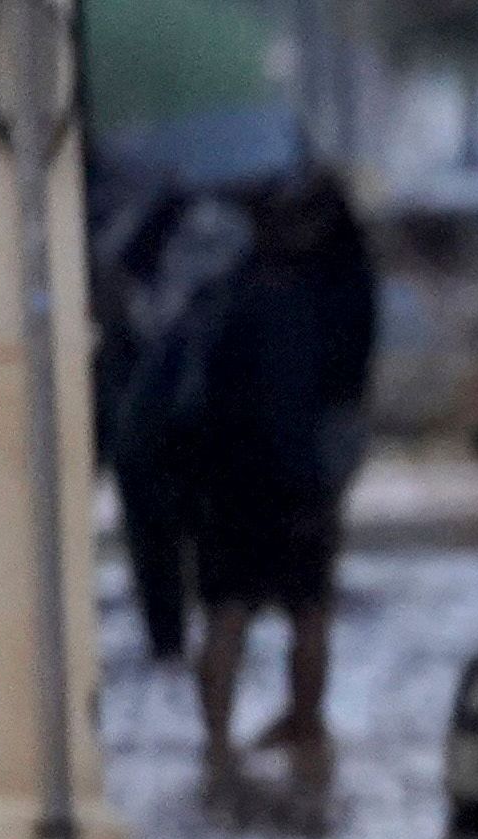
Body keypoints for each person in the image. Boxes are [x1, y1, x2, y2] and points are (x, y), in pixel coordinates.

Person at [183, 168, 377, 796]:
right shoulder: (336, 296)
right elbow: (346, 394)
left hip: (233, 480)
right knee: (307, 611)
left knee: (230, 612)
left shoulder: (230, 295)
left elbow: (195, 396)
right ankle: (305, 729)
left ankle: (219, 744)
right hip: (300, 481)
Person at [90, 165, 249, 666]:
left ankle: (179, 638)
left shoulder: (208, 233)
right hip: (162, 422)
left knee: (173, 539)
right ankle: (180, 637)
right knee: (170, 537)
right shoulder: (145, 228)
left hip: (181, 422)